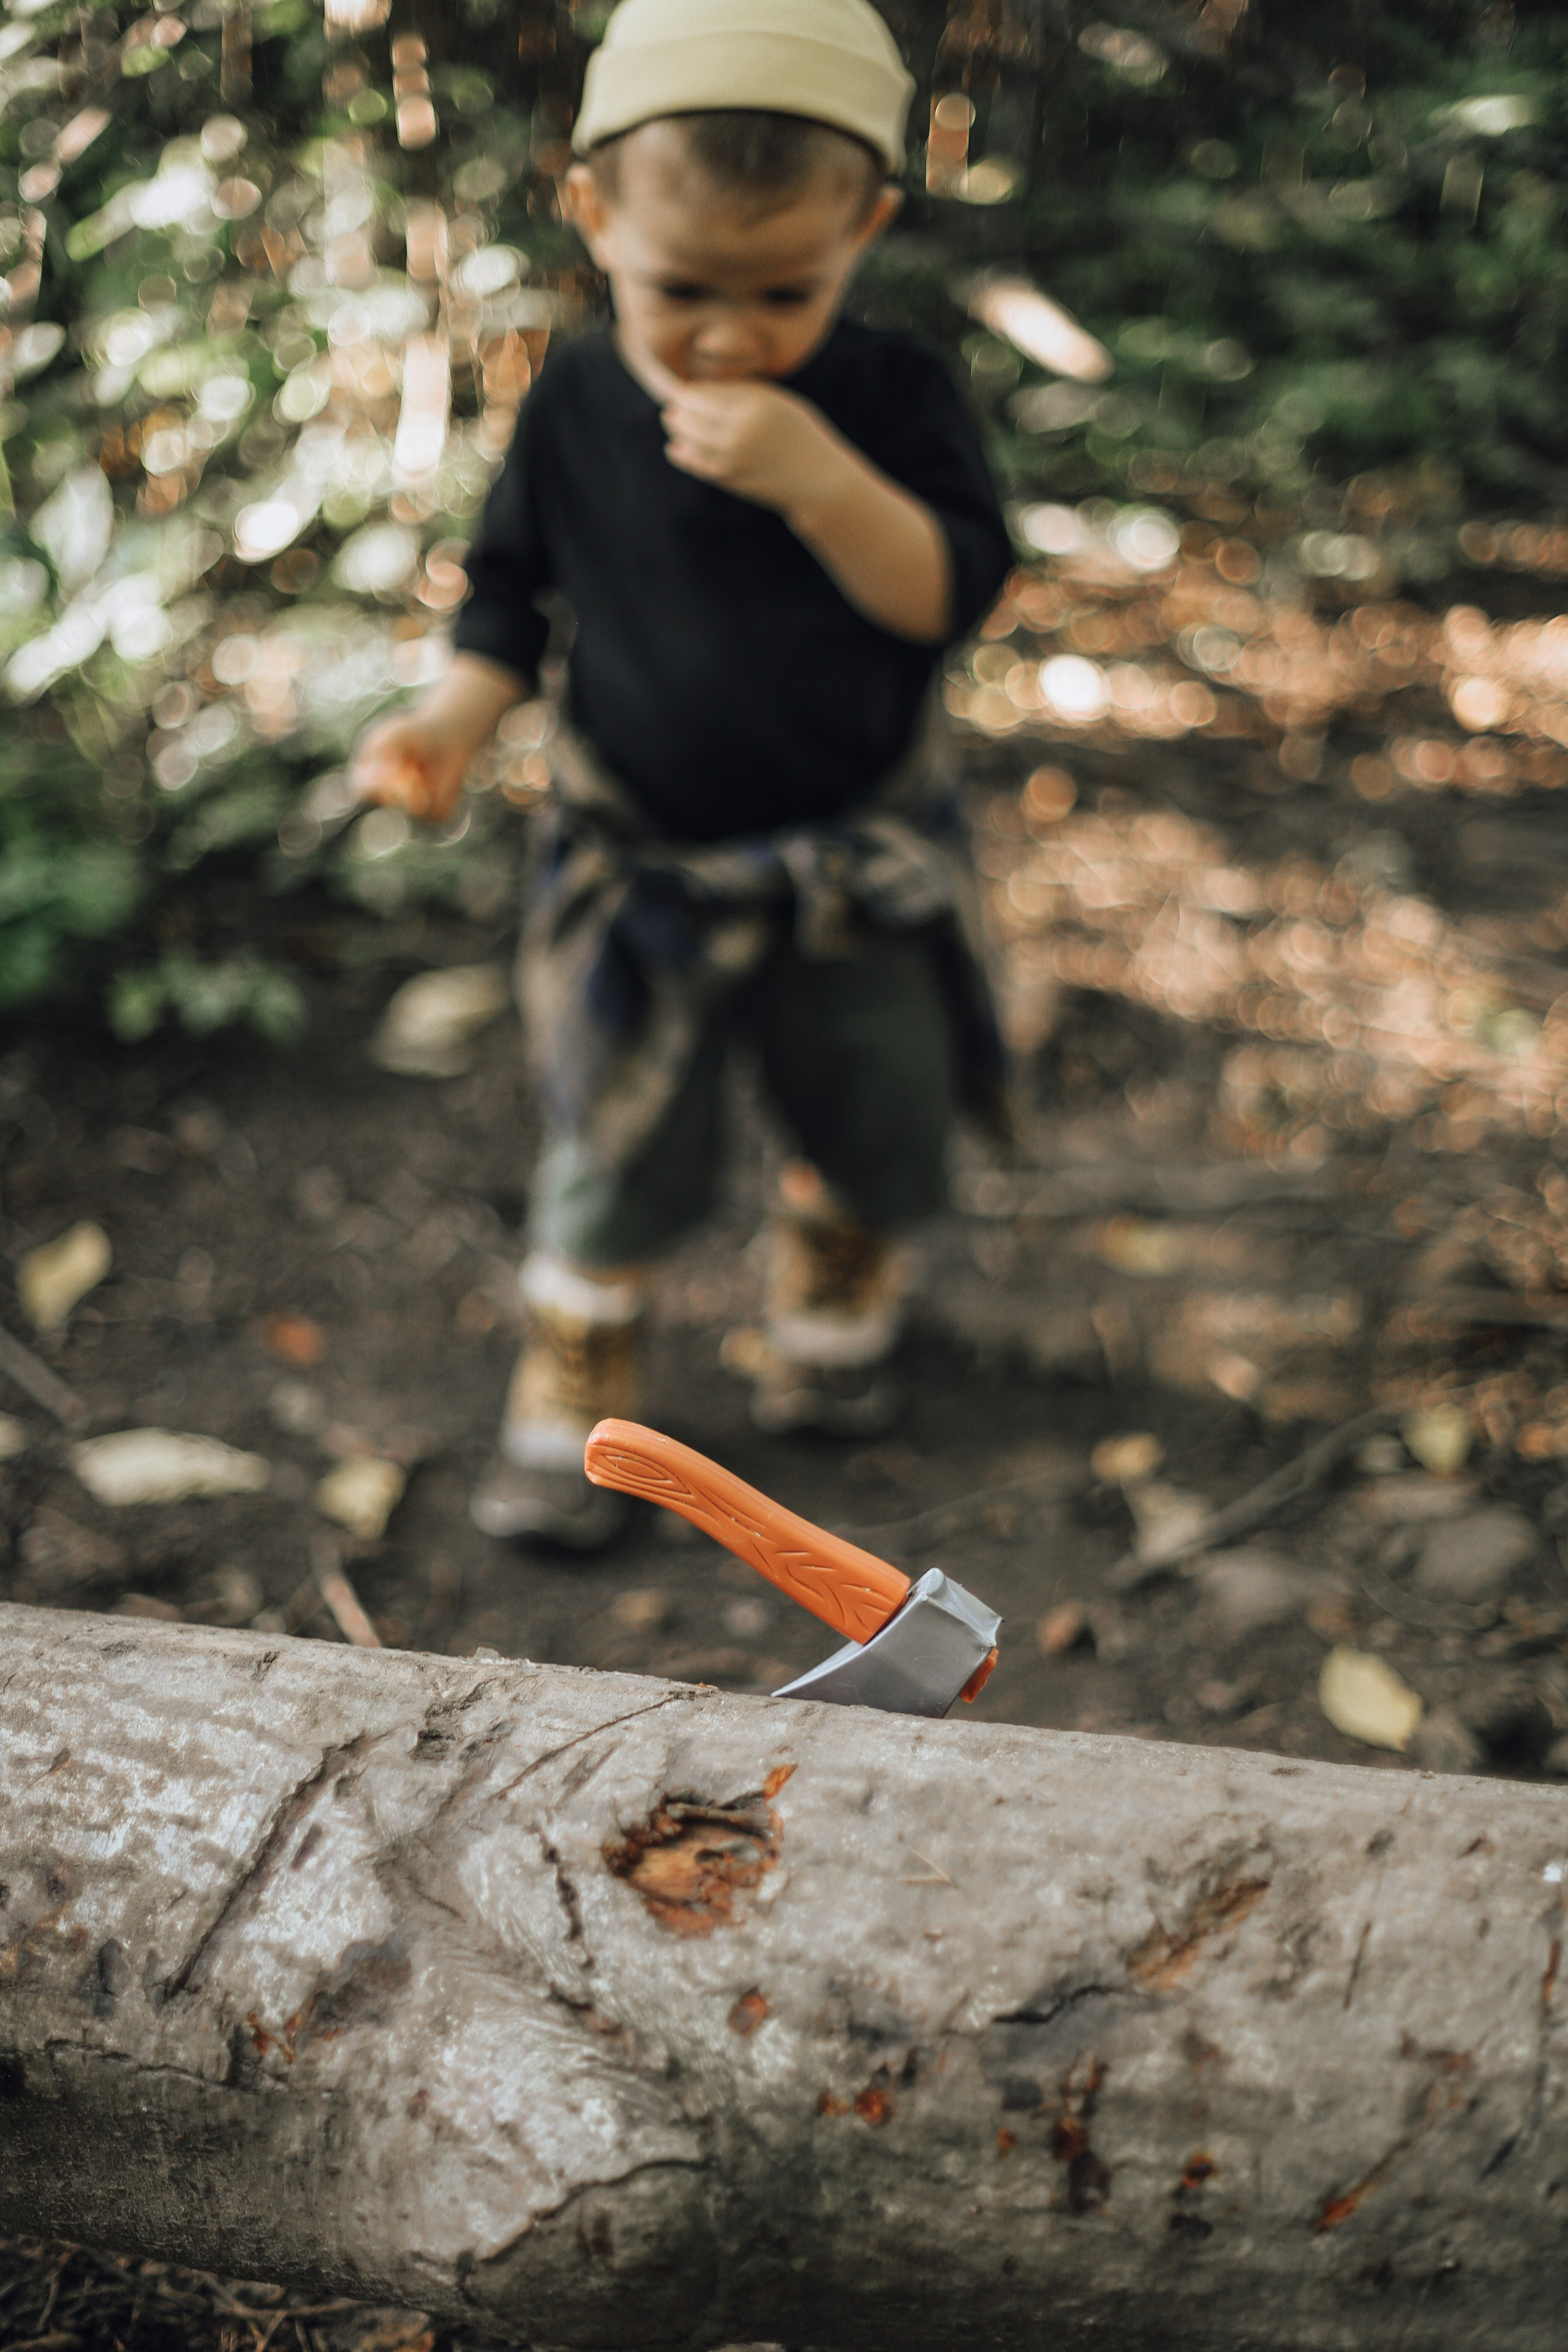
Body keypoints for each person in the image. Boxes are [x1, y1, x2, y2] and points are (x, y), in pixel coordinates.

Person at [351, 0, 1013, 1550]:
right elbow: (512, 596)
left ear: (866, 224)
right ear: (593, 215)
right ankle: (583, 1379)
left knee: (873, 1101)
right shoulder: (580, 398)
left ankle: (832, 1298)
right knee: (617, 1137)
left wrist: (819, 478)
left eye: (784, 291)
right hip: (638, 862)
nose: (726, 336)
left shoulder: (892, 396)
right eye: (681, 292)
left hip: (853, 851)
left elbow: (945, 596)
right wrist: (450, 722)